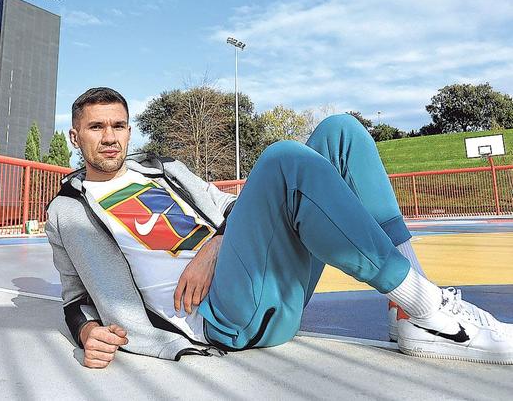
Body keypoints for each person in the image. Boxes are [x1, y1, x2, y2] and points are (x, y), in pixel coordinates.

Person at [46, 87, 513, 368]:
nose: (110, 137)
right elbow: (73, 296)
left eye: (119, 126)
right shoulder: (67, 210)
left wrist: (213, 247)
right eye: (96, 128)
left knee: (339, 131)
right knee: (283, 158)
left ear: (130, 131)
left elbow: (230, 207)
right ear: (75, 135)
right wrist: (87, 332)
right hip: (217, 316)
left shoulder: (163, 169)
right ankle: (436, 314)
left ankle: (412, 310)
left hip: (246, 274)